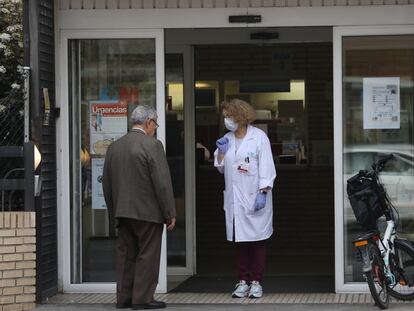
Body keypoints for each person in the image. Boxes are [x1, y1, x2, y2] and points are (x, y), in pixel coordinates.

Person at [102, 105, 176, 310]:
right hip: (148, 213)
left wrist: (113, 211)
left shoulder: (114, 147)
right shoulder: (152, 145)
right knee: (147, 254)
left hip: (122, 212)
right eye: (155, 124)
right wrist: (169, 213)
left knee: (126, 255)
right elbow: (162, 183)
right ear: (149, 122)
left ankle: (123, 298)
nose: (155, 128)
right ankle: (142, 299)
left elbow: (106, 183)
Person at [214, 98, 276, 299]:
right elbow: (220, 167)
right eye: (225, 117)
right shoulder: (227, 139)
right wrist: (221, 153)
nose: (227, 120)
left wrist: (263, 191)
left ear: (240, 116)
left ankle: (256, 282)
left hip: (256, 197)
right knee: (240, 241)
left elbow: (267, 167)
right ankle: (242, 281)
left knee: (257, 241)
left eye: (229, 116)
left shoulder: (259, 138)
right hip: (235, 201)